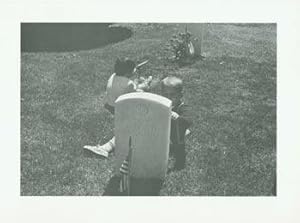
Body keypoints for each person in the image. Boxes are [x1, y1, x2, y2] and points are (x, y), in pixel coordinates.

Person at [83, 58, 152, 157]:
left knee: (126, 127)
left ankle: (106, 147)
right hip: (122, 108)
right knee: (132, 124)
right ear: (129, 72)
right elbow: (136, 94)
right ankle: (106, 148)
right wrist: (146, 84)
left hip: (110, 105)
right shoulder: (129, 84)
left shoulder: (113, 76)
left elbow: (124, 87)